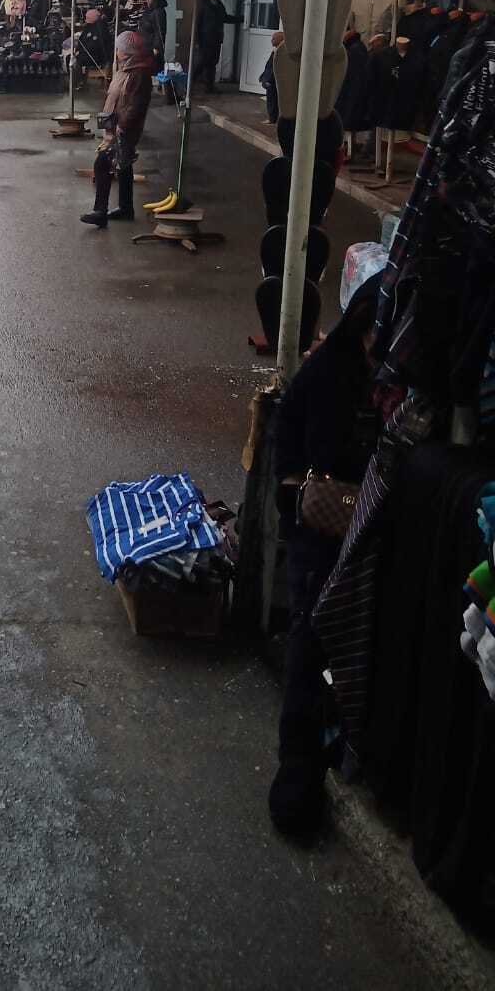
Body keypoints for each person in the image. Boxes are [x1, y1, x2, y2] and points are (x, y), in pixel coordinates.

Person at [269, 278, 381, 837]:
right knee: (310, 635)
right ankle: (298, 763)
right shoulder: (333, 376)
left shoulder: (383, 382)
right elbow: (298, 445)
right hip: (319, 530)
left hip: (358, 531)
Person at [81, 29, 153, 229]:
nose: (117, 51)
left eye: (119, 48)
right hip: (116, 125)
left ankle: (100, 211)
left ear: (127, 51)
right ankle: (125, 208)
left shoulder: (139, 73)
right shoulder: (126, 68)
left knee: (102, 164)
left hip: (124, 128)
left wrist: (122, 126)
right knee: (124, 165)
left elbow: (136, 105)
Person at [193, 0, 241, 93]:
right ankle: (188, 85)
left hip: (216, 38)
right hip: (205, 39)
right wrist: (196, 40)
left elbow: (225, 17)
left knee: (212, 63)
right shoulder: (202, 4)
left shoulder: (218, 3)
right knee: (201, 63)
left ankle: (209, 87)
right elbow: (196, 23)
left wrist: (241, 19)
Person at [75, 6, 113, 84]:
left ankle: (79, 81)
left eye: (87, 18)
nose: (86, 20)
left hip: (97, 56)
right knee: (73, 58)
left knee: (75, 61)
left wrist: (80, 52)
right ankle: (79, 80)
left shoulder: (99, 28)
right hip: (90, 53)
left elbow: (95, 45)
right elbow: (82, 40)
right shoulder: (90, 27)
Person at [137, 0, 168, 73]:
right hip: (146, 46)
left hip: (153, 48)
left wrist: (156, 47)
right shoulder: (148, 10)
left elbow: (160, 31)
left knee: (154, 69)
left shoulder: (158, 11)